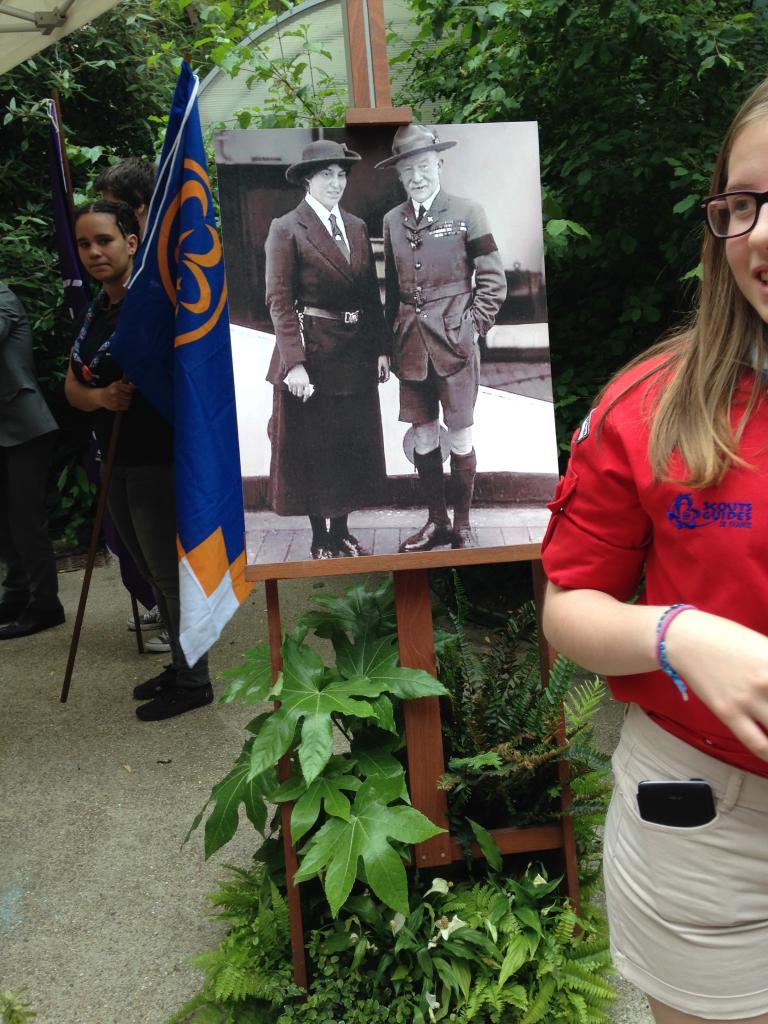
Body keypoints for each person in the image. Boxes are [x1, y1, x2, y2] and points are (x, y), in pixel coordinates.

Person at [541, 77, 768, 1024]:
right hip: (709, 822)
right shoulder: (650, 403)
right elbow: (567, 607)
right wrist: (680, 635)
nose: (759, 236)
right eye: (746, 205)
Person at [64, 199, 212, 720]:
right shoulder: (95, 312)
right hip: (114, 458)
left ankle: (195, 681)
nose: (93, 252)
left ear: (131, 243)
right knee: (148, 569)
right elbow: (73, 387)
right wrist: (101, 399)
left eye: (104, 240)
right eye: (84, 243)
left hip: (156, 456)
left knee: (168, 574)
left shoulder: (153, 306)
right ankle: (179, 662)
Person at [376, 124, 507, 551]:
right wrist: (386, 343)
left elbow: (493, 281)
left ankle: (463, 525)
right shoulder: (392, 221)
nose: (417, 177)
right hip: (410, 346)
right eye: (408, 170)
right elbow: (392, 292)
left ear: (439, 164)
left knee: (460, 434)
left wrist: (472, 329)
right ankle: (436, 522)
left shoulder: (468, 212)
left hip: (455, 346)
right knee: (424, 435)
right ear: (400, 176)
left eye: (424, 166)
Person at [264, 139, 390, 559]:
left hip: (354, 354)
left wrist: (380, 349)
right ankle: (321, 537)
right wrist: (294, 364)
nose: (336, 183)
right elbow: (278, 300)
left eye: (341, 175)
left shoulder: (354, 226)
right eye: (326, 175)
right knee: (317, 448)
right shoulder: (286, 228)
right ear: (307, 180)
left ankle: (344, 531)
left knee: (350, 444)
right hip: (312, 354)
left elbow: (371, 296)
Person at [95, 156, 170, 654]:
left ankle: (189, 654)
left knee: (163, 546)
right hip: (118, 435)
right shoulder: (120, 270)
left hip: (160, 434)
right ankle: (163, 606)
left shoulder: (165, 265)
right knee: (136, 545)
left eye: (114, 212)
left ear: (140, 211)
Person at [0, 283, 64, 639]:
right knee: (3, 521)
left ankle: (46, 605)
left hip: (26, 426)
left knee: (26, 520)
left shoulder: (3, 298)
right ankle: (17, 593)